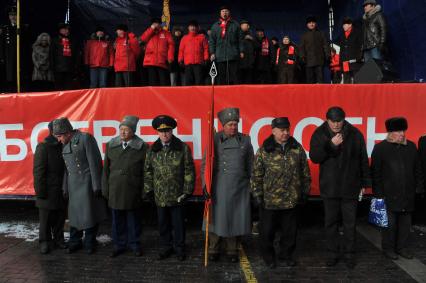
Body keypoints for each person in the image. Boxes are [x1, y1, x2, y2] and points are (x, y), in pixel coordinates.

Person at [309, 107, 370, 268]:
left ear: (344, 120)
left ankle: (349, 255)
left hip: (351, 187)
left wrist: (365, 183)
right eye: (333, 121)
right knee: (331, 223)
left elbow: (363, 159)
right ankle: (332, 254)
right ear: (327, 120)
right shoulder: (319, 133)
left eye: (339, 121)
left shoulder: (355, 134)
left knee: (350, 224)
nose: (336, 125)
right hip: (330, 187)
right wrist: (330, 145)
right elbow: (315, 157)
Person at [251, 117, 311, 269]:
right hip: (270, 201)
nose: (285, 133)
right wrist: (257, 195)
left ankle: (286, 255)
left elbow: (305, 173)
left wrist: (304, 192)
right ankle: (269, 257)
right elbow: (256, 174)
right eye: (282, 130)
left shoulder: (297, 148)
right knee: (267, 233)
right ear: (273, 131)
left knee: (290, 233)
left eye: (287, 130)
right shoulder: (264, 150)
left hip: (291, 200)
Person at [202, 108, 254, 263]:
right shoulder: (214, 139)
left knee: (235, 217)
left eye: (235, 124)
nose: (233, 127)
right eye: (230, 124)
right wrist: (205, 185)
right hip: (218, 186)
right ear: (223, 125)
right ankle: (213, 247)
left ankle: (232, 248)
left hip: (239, 185)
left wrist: (252, 185)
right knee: (215, 217)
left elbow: (251, 164)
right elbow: (206, 163)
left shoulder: (245, 140)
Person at [52, 117, 107, 254]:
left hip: (87, 183)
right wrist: (65, 187)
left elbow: (95, 163)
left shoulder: (85, 139)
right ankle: (75, 241)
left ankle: (89, 242)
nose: (58, 139)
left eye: (59, 136)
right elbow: (66, 169)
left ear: (67, 133)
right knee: (74, 215)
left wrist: (97, 186)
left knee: (89, 214)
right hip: (73, 184)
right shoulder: (65, 143)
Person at [371, 117, 424, 260]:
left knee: (405, 225)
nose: (402, 134)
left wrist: (419, 187)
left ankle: (402, 248)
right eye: (398, 131)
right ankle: (388, 248)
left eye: (403, 130)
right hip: (388, 194)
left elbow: (417, 169)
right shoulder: (380, 148)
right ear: (390, 133)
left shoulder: (411, 147)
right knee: (390, 225)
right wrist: (378, 193)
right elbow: (375, 173)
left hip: (407, 194)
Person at [144, 115, 195, 261]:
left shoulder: (182, 148)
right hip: (160, 195)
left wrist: (187, 191)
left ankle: (179, 248)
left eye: (167, 131)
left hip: (177, 194)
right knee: (163, 224)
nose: (165, 134)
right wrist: (149, 190)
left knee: (178, 224)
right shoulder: (152, 149)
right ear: (157, 133)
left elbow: (189, 170)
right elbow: (147, 171)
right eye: (162, 131)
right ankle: (166, 247)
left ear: (172, 131)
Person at [102, 116, 148, 257]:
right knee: (117, 220)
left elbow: (146, 171)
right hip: (115, 189)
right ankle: (119, 245)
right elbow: (106, 170)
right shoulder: (111, 145)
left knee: (133, 220)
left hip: (133, 189)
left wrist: (145, 190)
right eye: (121, 129)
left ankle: (134, 244)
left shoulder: (142, 147)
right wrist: (105, 188)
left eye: (126, 130)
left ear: (133, 131)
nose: (122, 132)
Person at [33, 121, 66, 254]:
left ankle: (59, 239)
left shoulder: (63, 144)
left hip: (61, 189)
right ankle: (44, 241)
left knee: (60, 217)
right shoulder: (43, 147)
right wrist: (40, 192)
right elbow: (38, 171)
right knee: (45, 219)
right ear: (52, 131)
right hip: (47, 190)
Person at [209, 6, 243, 85]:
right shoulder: (215, 26)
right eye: (223, 11)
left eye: (226, 11)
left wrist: (241, 50)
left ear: (229, 13)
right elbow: (212, 41)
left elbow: (240, 39)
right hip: (220, 55)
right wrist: (212, 52)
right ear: (220, 13)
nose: (225, 13)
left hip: (233, 54)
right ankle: (222, 95)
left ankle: (236, 93)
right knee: (222, 77)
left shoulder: (235, 24)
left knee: (235, 76)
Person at [141, 18, 174, 86]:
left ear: (160, 24)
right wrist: (151, 29)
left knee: (163, 82)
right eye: (154, 23)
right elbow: (143, 39)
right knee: (152, 82)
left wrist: (170, 57)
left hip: (162, 61)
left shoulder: (166, 33)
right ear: (152, 24)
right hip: (151, 61)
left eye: (158, 23)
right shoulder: (149, 32)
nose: (156, 24)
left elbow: (171, 45)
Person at [299, 16, 330, 83]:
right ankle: (310, 93)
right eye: (309, 23)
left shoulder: (321, 33)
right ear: (307, 25)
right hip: (308, 61)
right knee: (310, 80)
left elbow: (326, 45)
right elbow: (301, 47)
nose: (311, 24)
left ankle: (320, 93)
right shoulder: (304, 35)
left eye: (313, 22)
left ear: (315, 24)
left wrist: (327, 55)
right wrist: (302, 57)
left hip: (319, 60)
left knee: (320, 79)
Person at [178, 20, 209, 85]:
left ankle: (200, 95)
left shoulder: (202, 37)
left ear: (197, 28)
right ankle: (189, 95)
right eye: (191, 26)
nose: (193, 28)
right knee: (189, 82)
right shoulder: (184, 38)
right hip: (188, 64)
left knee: (199, 81)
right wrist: (180, 60)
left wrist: (206, 58)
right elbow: (181, 50)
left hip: (199, 64)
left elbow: (206, 49)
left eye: (194, 26)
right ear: (188, 28)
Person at [50, 23, 77, 90]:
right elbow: (51, 54)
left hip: (69, 68)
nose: (66, 31)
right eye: (64, 29)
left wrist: (75, 66)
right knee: (58, 87)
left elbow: (75, 55)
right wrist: (52, 67)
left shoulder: (72, 40)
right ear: (60, 30)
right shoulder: (55, 40)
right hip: (58, 68)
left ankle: (67, 100)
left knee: (68, 87)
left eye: (67, 29)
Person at [337, 17, 363, 83]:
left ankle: (357, 93)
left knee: (356, 79)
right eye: (343, 25)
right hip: (345, 61)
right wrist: (340, 60)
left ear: (350, 24)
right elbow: (341, 48)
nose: (343, 26)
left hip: (355, 60)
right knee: (346, 79)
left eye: (345, 24)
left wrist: (359, 57)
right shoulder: (342, 35)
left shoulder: (357, 32)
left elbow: (360, 46)